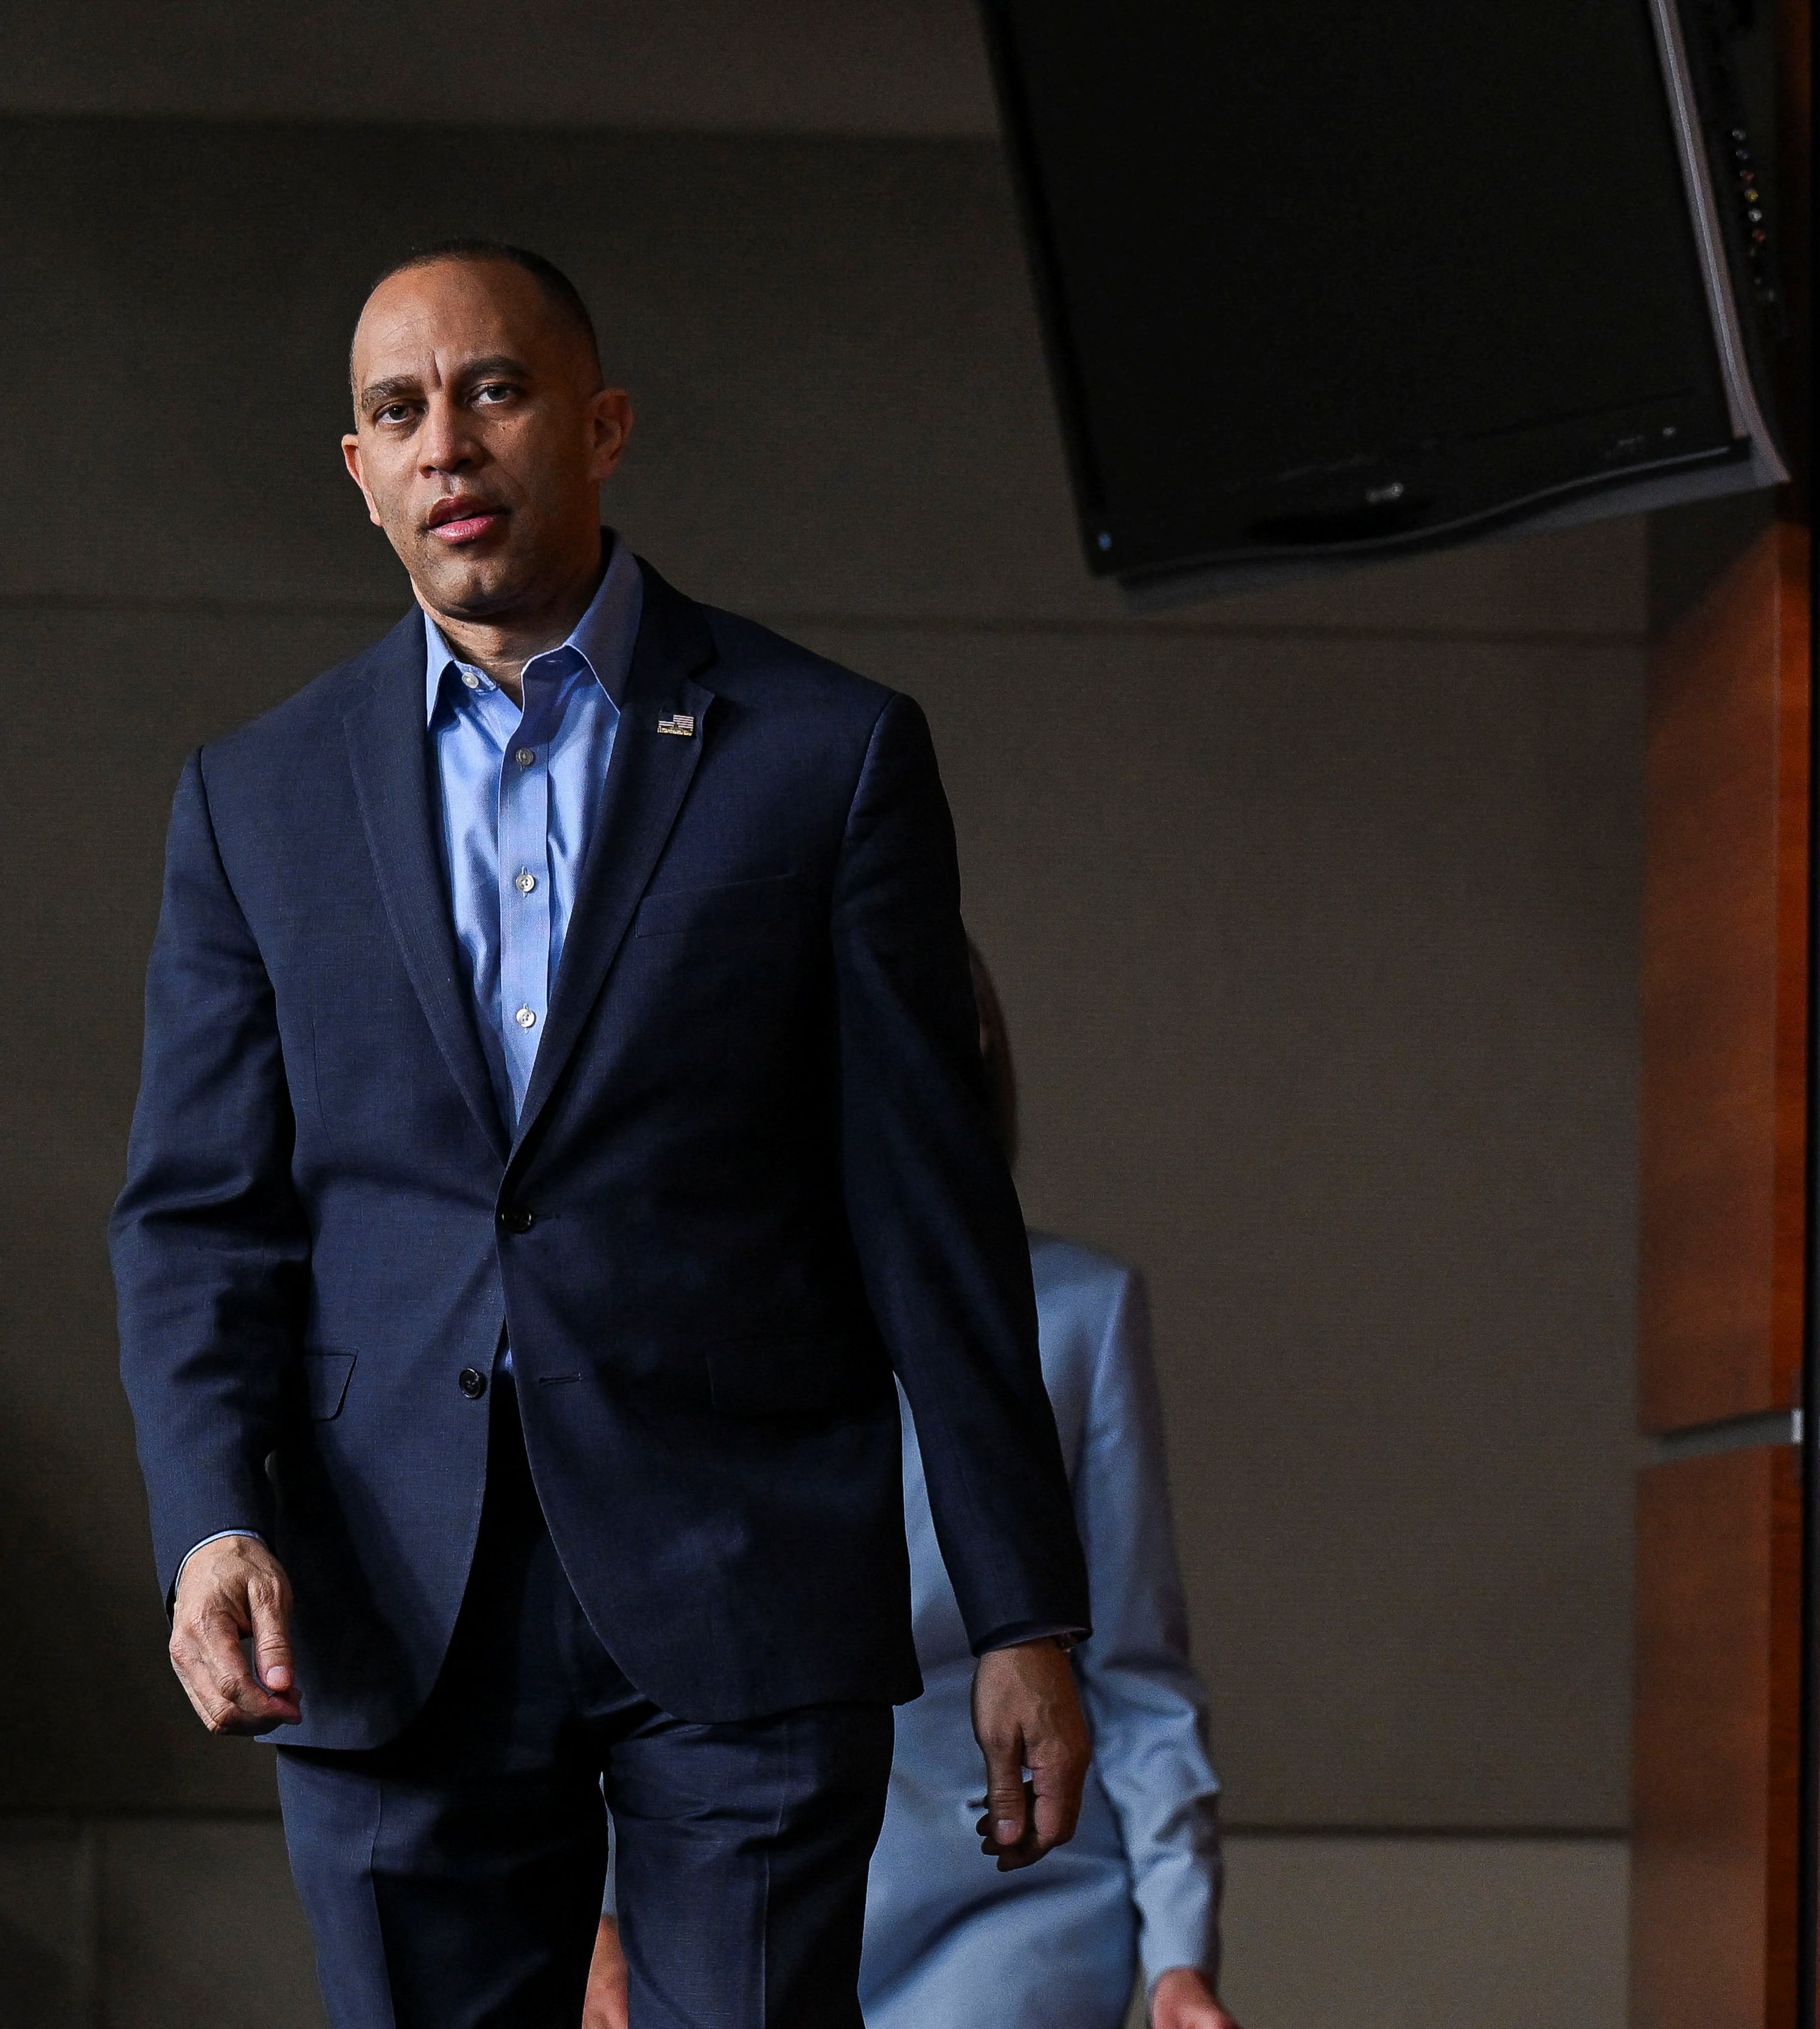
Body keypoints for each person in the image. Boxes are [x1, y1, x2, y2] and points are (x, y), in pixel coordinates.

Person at [111, 239, 1093, 2028]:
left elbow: (928, 1213)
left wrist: (1025, 1611)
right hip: (385, 1603)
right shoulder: (254, 798)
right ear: (358, 471)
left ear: (602, 421)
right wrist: (205, 1521)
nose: (447, 448)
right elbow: (197, 1218)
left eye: (493, 391)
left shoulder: (831, 753)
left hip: (745, 1574)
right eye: (397, 413)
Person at [588, 951, 1238, 2029]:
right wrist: (600, 1919)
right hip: (726, 1893)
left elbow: (1134, 1675)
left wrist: (1180, 1950)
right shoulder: (658, 1314)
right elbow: (603, 1661)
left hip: (1008, 1907)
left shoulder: (1079, 1313)